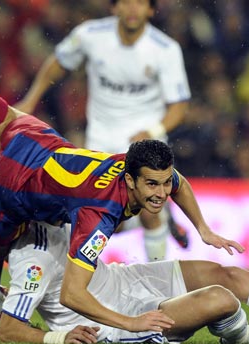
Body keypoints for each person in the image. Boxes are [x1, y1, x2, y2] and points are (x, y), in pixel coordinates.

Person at [0, 30, 243, 335]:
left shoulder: (131, 166)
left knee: (4, 115)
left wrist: (202, 228)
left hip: (44, 146)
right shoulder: (103, 207)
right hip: (16, 184)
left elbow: (175, 184)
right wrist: (199, 230)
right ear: (134, 181)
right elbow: (72, 293)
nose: (161, 191)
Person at [0, 221, 249, 344]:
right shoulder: (30, 258)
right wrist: (57, 337)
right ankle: (243, 338)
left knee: (225, 274)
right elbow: (9, 329)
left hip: (127, 277)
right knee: (221, 300)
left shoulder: (49, 214)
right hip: (118, 319)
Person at [15, 0, 191, 262]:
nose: (133, 8)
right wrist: (31, 100)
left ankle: (161, 283)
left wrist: (153, 129)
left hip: (147, 142)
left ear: (151, 10)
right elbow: (58, 62)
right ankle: (164, 218)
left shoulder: (165, 49)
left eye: (140, 3)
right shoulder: (90, 35)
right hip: (101, 142)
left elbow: (179, 106)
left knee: (150, 211)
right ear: (114, 8)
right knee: (110, 220)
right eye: (126, 2)